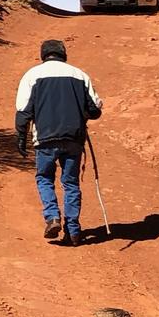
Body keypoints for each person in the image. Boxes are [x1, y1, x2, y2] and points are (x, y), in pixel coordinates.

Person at [14, 38, 103, 245]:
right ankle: (73, 230)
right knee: (70, 182)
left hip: (45, 138)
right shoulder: (79, 75)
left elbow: (23, 111)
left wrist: (21, 136)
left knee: (45, 178)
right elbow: (94, 110)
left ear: (43, 55)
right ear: (63, 54)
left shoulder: (32, 75)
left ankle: (53, 217)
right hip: (74, 139)